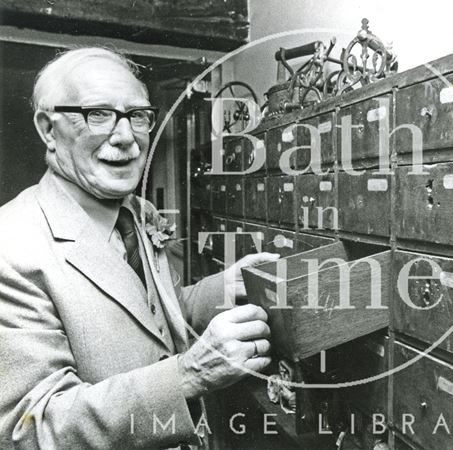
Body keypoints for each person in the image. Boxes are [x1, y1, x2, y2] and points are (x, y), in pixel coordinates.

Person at [0, 46, 278, 449]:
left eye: (138, 116)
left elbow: (152, 317)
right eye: (98, 114)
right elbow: (30, 429)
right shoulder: (12, 243)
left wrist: (226, 286)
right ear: (48, 129)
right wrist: (189, 376)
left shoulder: (137, 211)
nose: (127, 137)